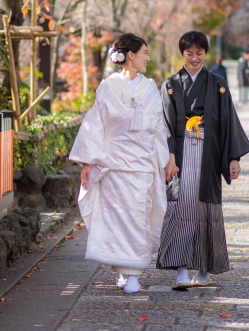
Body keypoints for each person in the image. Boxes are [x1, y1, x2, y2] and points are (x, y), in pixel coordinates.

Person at [69, 33, 176, 293]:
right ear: (131, 55)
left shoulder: (149, 87)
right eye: (145, 53)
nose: (147, 58)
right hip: (115, 165)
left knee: (139, 216)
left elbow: (158, 128)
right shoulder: (108, 86)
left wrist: (167, 159)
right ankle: (122, 270)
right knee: (117, 219)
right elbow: (96, 123)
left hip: (141, 164)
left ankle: (134, 273)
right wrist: (87, 163)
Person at [157, 31, 249, 289]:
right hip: (180, 154)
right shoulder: (169, 85)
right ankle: (180, 271)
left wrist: (234, 158)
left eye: (199, 53)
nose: (195, 57)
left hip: (208, 154)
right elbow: (164, 125)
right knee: (179, 209)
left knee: (205, 210)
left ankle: (202, 270)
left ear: (205, 53)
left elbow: (228, 122)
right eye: (189, 53)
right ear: (182, 54)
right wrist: (169, 158)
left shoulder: (217, 83)